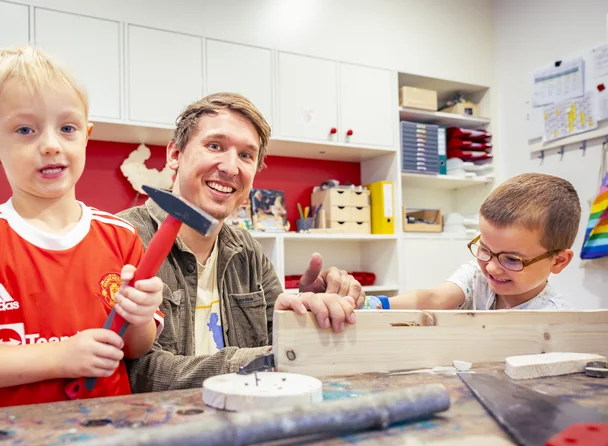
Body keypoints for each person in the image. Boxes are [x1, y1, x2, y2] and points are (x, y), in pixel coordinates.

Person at [0, 46, 164, 410]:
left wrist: (140, 317)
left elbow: (134, 347)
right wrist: (59, 357)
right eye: (25, 129)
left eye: (67, 128)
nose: (50, 145)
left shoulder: (122, 236)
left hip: (106, 439)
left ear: (86, 135)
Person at [119, 93, 365, 392]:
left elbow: (282, 337)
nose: (231, 167)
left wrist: (310, 314)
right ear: (174, 154)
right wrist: (261, 362)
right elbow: (134, 371)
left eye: (246, 155)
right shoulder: (121, 237)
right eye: (215, 146)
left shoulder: (246, 249)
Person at [384, 173, 579, 311]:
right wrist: (369, 304)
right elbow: (433, 299)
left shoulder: (558, 320)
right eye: (484, 249)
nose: (492, 269)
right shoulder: (477, 279)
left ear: (558, 261)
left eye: (511, 259)